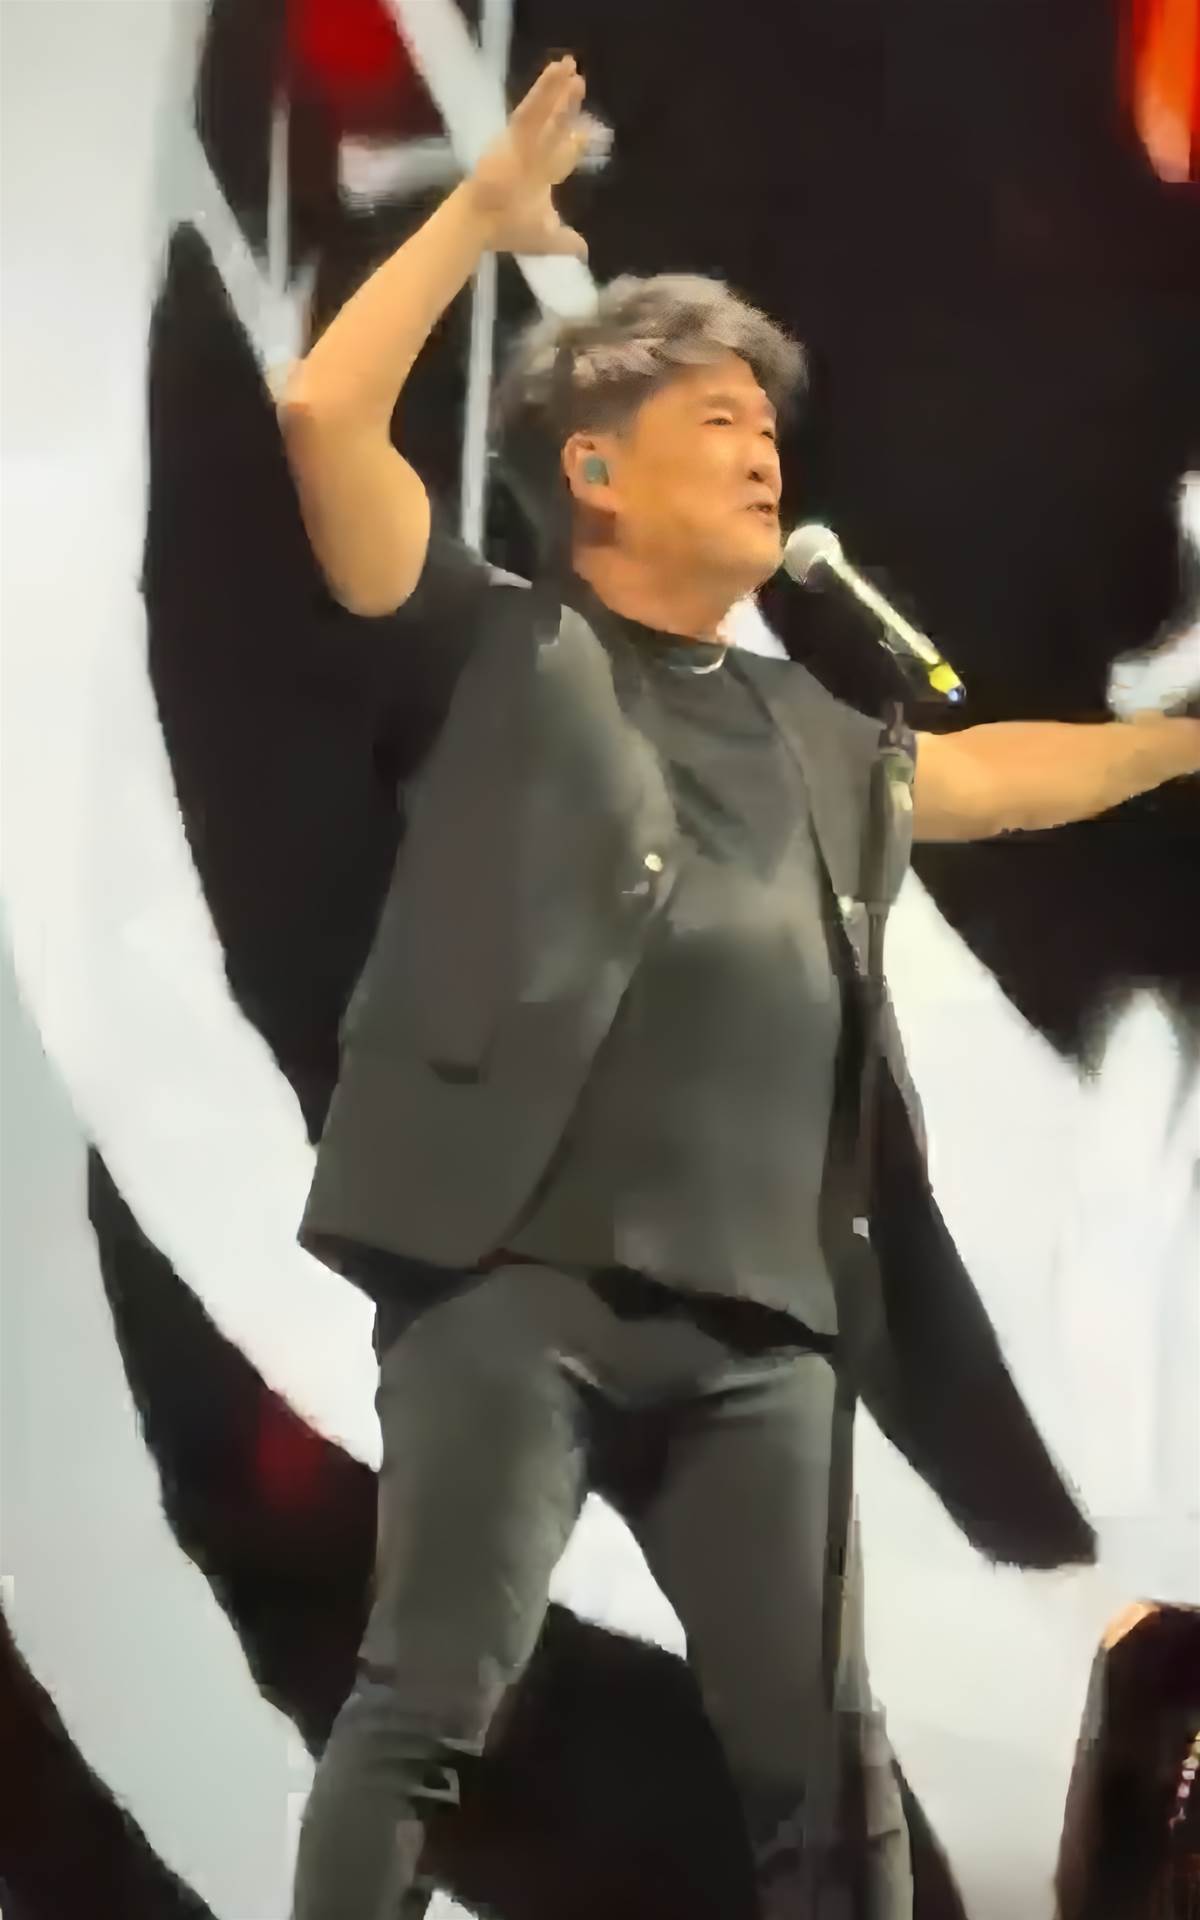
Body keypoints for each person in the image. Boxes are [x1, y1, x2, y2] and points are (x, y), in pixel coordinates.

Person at [278, 58, 1200, 1920]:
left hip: (758, 1321)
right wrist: (474, 218)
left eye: (767, 424)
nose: (764, 449)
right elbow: (320, 412)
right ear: (594, 471)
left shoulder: (805, 728)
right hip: (515, 1282)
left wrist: (1182, 748)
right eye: (716, 420)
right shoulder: (498, 649)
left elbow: (999, 780)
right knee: (428, 1705)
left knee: (825, 1763)